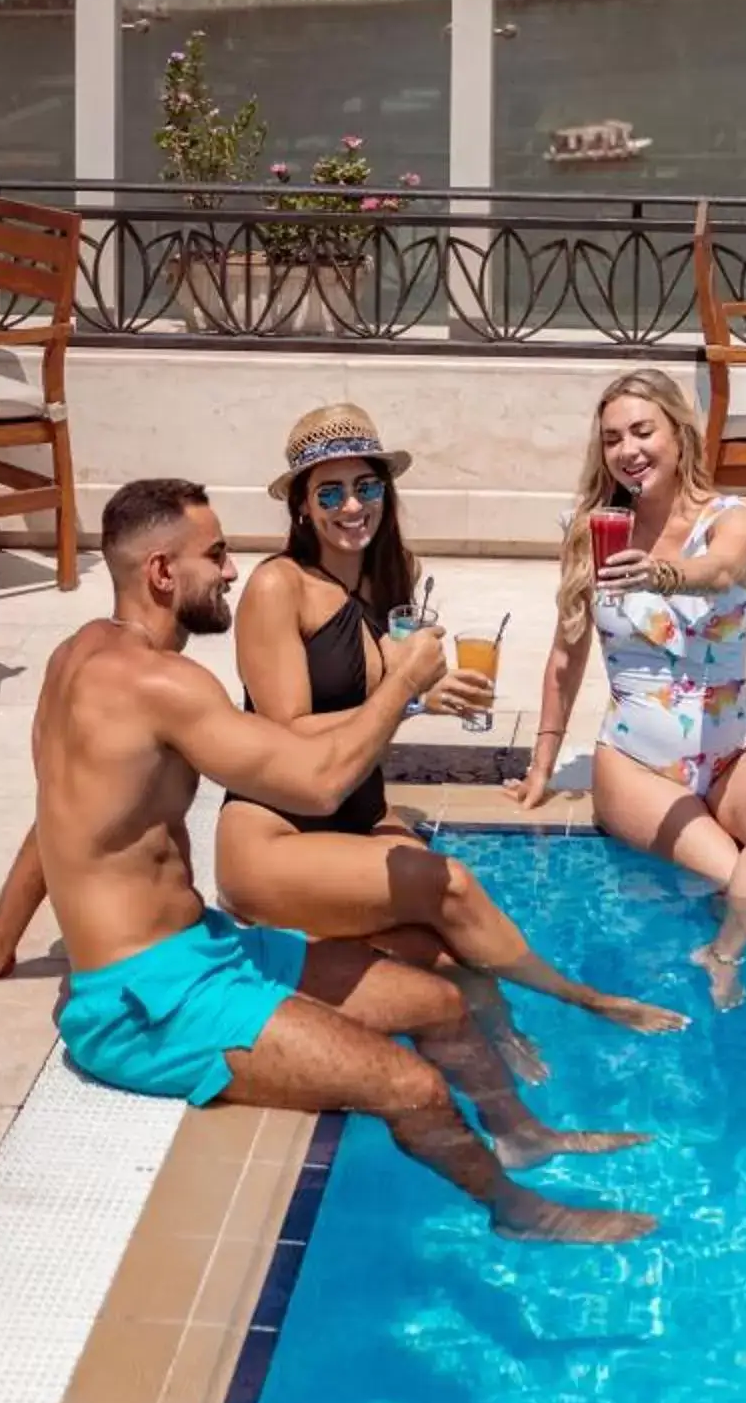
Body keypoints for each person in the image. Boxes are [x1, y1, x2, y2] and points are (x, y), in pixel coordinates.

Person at [0, 476, 655, 1243]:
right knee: (411, 1085)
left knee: (440, 1002)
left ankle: (520, 1134)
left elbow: (59, 816)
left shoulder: (76, 658)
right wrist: (402, 684)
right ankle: (520, 1214)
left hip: (197, 948)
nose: (232, 571)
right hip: (143, 1005)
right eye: (217, 554)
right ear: (163, 573)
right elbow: (320, 779)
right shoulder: (165, 685)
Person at [215, 403, 685, 1067]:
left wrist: (426, 696)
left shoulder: (391, 574)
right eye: (330, 491)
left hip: (355, 815)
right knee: (454, 887)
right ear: (301, 507)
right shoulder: (277, 586)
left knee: (457, 958)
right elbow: (285, 733)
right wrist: (405, 698)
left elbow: (378, 704)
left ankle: (507, 1072)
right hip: (274, 836)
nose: (353, 506)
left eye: (367, 486)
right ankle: (587, 1000)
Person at [507, 368, 746, 1009]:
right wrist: (541, 764)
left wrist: (662, 575)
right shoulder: (593, 528)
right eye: (613, 438)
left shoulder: (734, 518)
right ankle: (727, 955)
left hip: (731, 752)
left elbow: (722, 569)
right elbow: (568, 650)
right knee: (735, 876)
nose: (629, 450)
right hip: (638, 764)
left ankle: (720, 955)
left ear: (679, 433)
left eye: (643, 431)